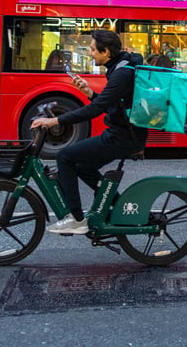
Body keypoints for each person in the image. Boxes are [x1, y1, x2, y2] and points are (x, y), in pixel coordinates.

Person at [30, 29, 148, 233]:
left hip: (123, 137)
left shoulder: (122, 74)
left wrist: (55, 121)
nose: (90, 53)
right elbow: (112, 105)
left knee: (65, 156)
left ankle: (76, 219)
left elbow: (96, 110)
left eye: (93, 49)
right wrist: (89, 92)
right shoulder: (119, 67)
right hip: (122, 133)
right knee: (83, 167)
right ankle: (116, 206)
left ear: (106, 52)